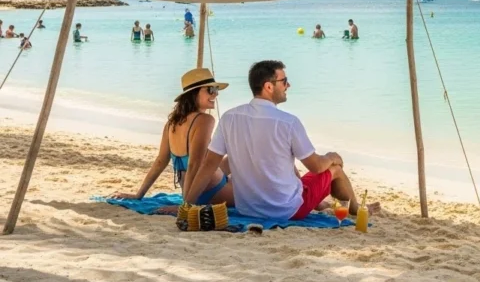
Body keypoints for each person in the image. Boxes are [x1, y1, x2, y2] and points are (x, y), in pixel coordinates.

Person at [185, 60, 379, 220]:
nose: (288, 85)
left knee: (288, 163)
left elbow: (208, 166)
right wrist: (332, 156)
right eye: (284, 81)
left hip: (248, 209)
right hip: (286, 210)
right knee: (334, 170)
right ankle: (354, 209)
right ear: (269, 87)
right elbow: (317, 167)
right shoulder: (288, 122)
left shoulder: (229, 118)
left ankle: (324, 203)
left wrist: (187, 206)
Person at [112, 68, 233, 211]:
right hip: (211, 191)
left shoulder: (172, 123)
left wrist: (139, 195)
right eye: (210, 90)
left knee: (233, 158)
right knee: (253, 183)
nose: (216, 94)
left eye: (216, 90)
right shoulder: (205, 120)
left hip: (193, 191)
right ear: (194, 93)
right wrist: (186, 206)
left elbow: (160, 161)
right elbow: (194, 164)